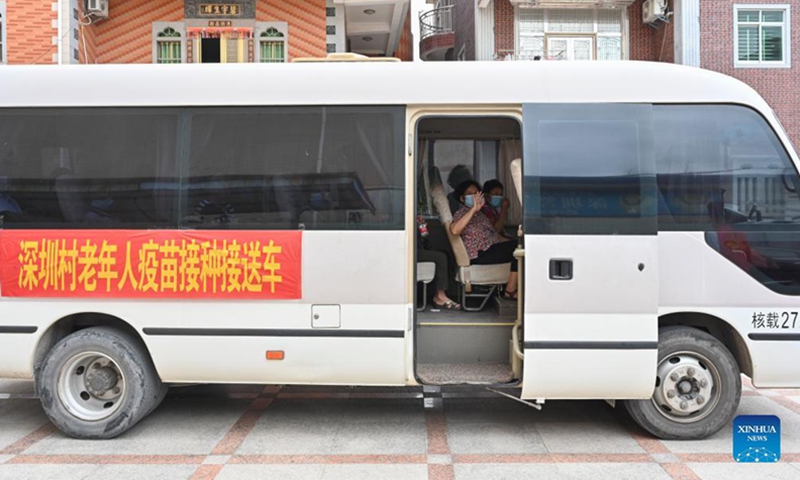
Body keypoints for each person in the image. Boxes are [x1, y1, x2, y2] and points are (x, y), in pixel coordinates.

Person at [450, 181, 518, 299]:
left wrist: (511, 241)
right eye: (470, 194)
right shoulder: (461, 213)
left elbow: (493, 234)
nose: (475, 197)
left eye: (477, 193)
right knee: (517, 248)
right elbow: (455, 230)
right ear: (462, 198)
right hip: (479, 253)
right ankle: (510, 290)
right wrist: (473, 210)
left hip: (490, 248)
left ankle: (512, 288)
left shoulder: (481, 214)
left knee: (520, 246)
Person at [417, 216, 461, 310]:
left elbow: (424, 235)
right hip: (410, 251)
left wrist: (421, 225)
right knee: (441, 257)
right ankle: (440, 295)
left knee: (445, 254)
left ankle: (439, 294)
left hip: (418, 247)